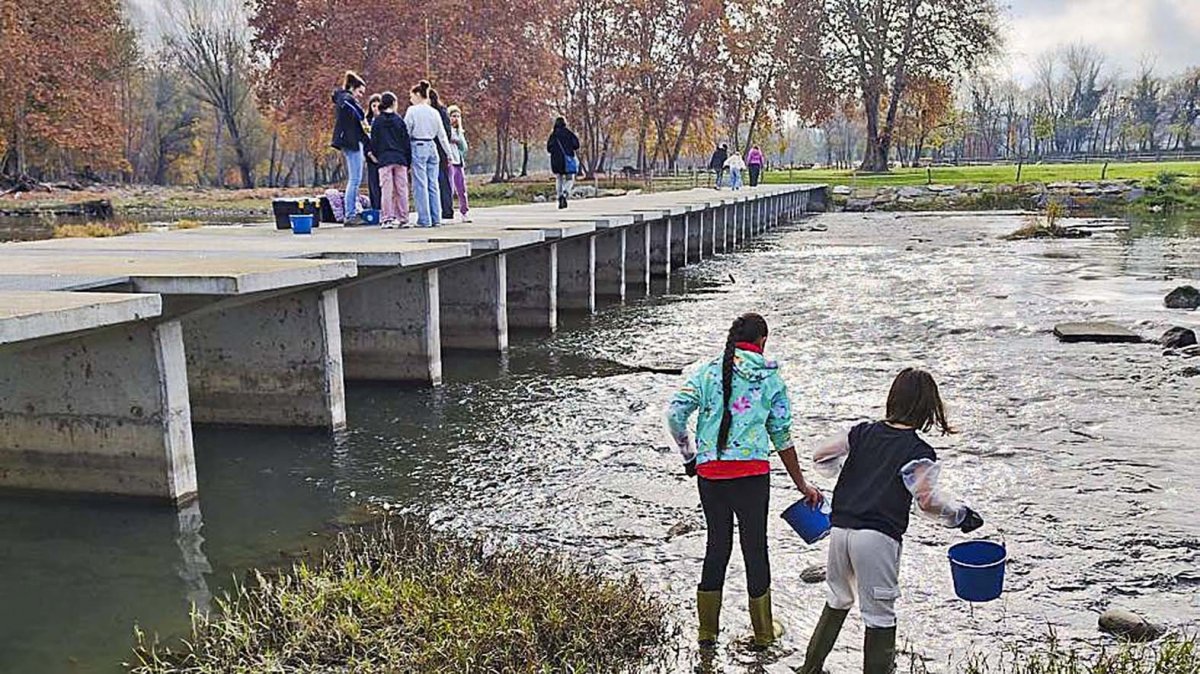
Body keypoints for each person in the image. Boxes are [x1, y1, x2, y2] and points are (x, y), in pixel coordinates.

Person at [798, 368, 984, 674]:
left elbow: (820, 457)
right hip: (877, 537)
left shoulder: (861, 433)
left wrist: (849, 469)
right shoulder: (918, 451)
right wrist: (960, 515)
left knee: (838, 598)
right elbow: (927, 500)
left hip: (841, 530)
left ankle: (809, 669)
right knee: (879, 615)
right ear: (927, 407)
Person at [667, 313, 823, 651]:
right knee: (755, 550)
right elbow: (782, 437)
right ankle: (764, 634)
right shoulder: (771, 379)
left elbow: (674, 414)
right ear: (762, 341)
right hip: (752, 476)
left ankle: (707, 633)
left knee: (716, 547)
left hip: (710, 475)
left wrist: (689, 456)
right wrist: (802, 486)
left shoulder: (708, 372)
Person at [404, 80, 454, 227]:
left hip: (418, 144)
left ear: (418, 95)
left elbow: (406, 131)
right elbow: (442, 135)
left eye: (411, 96)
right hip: (433, 146)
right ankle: (436, 217)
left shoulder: (412, 111)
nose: (410, 99)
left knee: (420, 184)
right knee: (433, 184)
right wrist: (449, 154)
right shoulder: (434, 112)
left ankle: (424, 219)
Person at [330, 70, 369, 225]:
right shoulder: (345, 99)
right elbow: (354, 111)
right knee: (354, 179)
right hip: (351, 142)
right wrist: (361, 114)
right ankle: (350, 214)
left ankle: (351, 212)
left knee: (355, 179)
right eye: (360, 91)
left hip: (354, 141)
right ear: (353, 87)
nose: (361, 95)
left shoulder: (348, 100)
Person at [370, 91, 412, 229]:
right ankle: (403, 218)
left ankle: (387, 218)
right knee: (402, 189)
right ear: (393, 103)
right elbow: (406, 141)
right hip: (400, 158)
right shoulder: (399, 120)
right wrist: (408, 160)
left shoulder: (378, 121)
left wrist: (376, 155)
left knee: (386, 190)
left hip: (384, 159)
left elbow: (374, 141)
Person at [428, 88, 455, 221]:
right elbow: (447, 133)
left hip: (435, 147)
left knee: (437, 179)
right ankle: (447, 209)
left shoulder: (433, 113)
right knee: (443, 179)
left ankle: (439, 208)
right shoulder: (442, 112)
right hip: (442, 148)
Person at [546, 117, 580, 209]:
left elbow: (548, 148)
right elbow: (576, 145)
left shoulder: (553, 135)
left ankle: (559, 196)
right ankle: (565, 193)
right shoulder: (569, 133)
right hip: (567, 160)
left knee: (559, 178)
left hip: (556, 161)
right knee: (570, 178)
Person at [447, 104, 471, 222]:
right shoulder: (446, 130)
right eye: (453, 116)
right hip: (449, 162)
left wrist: (458, 140)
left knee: (462, 189)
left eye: (457, 116)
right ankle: (448, 211)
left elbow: (464, 148)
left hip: (458, 162)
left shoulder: (459, 132)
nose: (455, 118)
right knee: (449, 189)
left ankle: (464, 212)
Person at [364, 93, 383, 212]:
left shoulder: (385, 120)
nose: (376, 108)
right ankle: (376, 208)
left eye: (378, 105)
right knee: (373, 184)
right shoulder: (367, 121)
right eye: (373, 106)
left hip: (384, 156)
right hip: (371, 156)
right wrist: (370, 154)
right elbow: (364, 139)